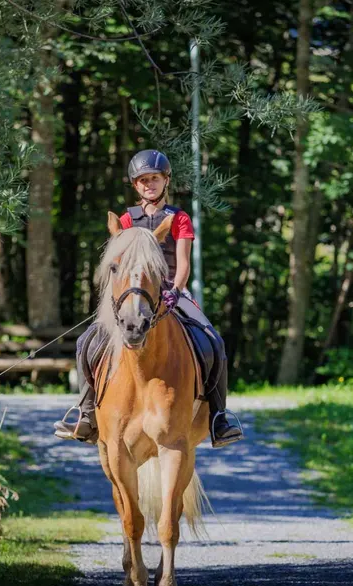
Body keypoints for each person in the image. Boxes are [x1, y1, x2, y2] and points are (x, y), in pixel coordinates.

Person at [53, 149, 244, 448]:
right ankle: (86, 413)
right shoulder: (127, 220)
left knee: (214, 341)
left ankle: (219, 417)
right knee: (85, 342)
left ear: (166, 180)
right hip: (133, 293)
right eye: (143, 180)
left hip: (171, 291)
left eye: (154, 178)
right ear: (135, 185)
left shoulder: (179, 218)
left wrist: (175, 291)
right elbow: (121, 263)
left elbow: (183, 263)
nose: (149, 184)